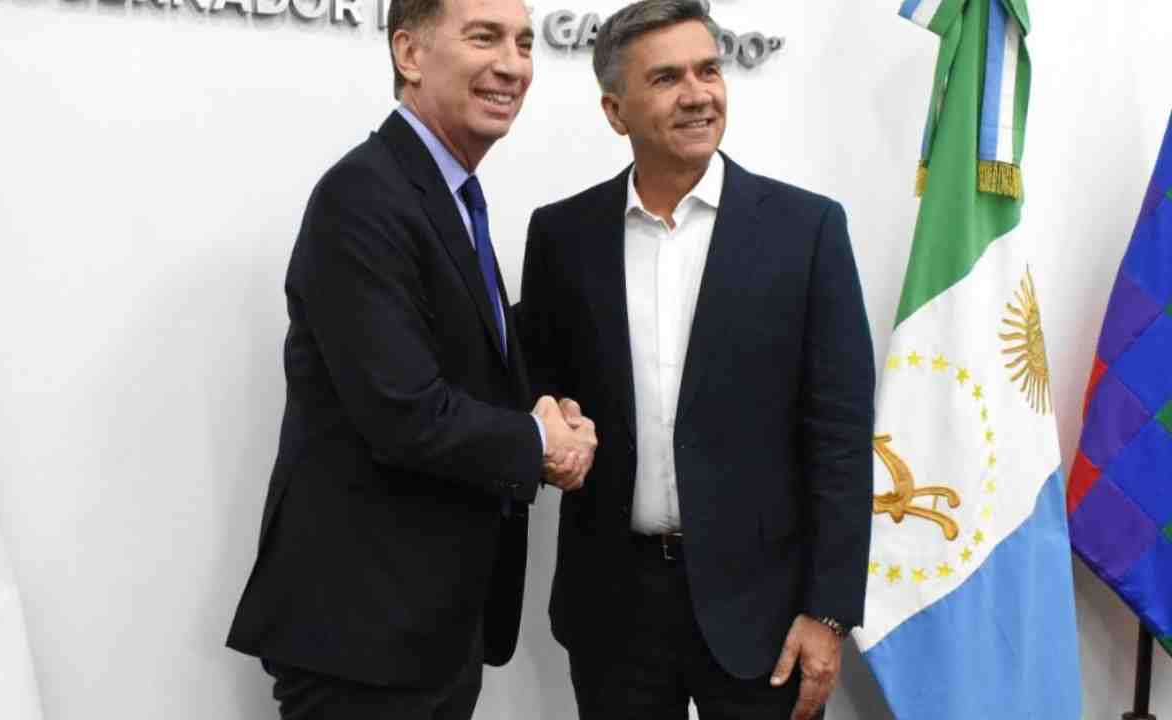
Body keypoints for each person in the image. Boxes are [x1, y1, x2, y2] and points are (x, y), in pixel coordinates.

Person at [225, 0, 596, 714]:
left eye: (524, 44)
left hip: (429, 629)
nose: (512, 65)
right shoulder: (364, 195)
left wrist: (544, 411)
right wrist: (539, 443)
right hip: (362, 636)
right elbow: (403, 411)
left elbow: (459, 361)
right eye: (484, 38)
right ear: (409, 53)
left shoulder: (449, 194)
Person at [518, 1, 875, 717]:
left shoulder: (807, 231)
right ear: (615, 111)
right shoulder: (562, 235)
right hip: (613, 607)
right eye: (666, 78)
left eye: (708, 70)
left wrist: (828, 612)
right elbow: (543, 392)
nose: (697, 94)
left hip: (764, 612)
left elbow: (840, 436)